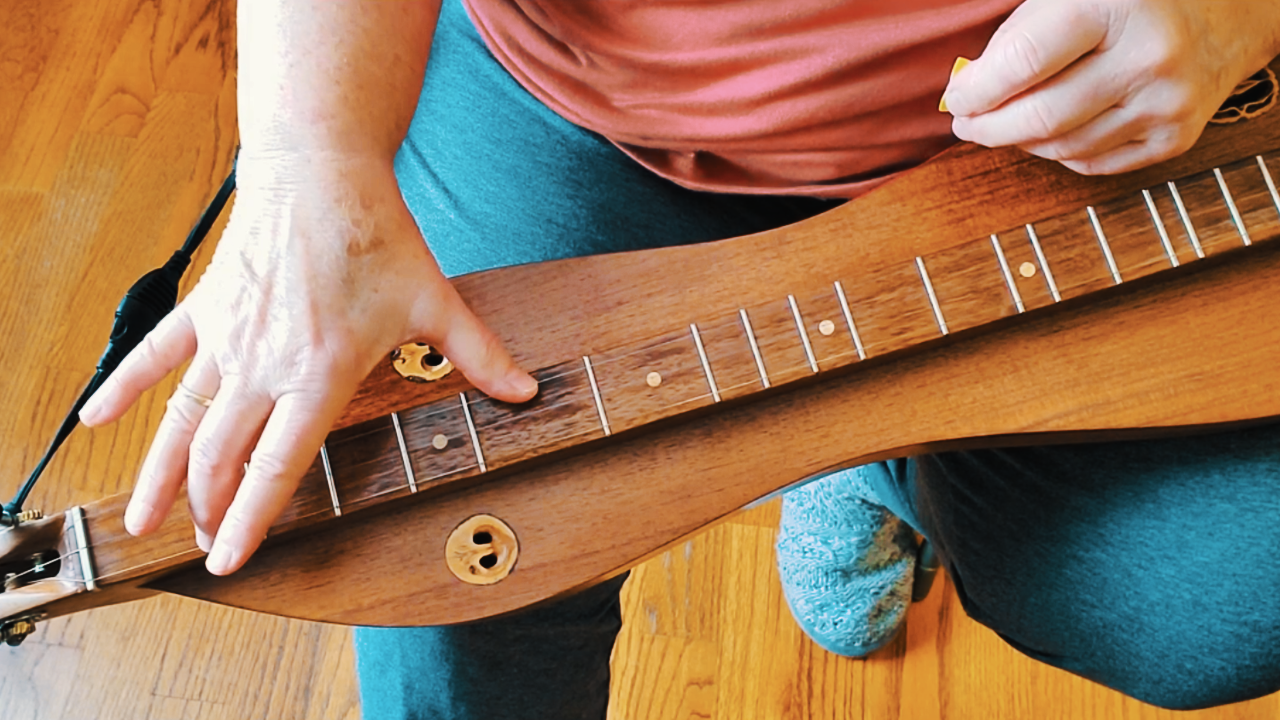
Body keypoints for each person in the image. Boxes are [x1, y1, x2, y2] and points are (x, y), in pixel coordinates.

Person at [78, 0, 1280, 716]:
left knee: (1202, 602)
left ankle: (845, 441)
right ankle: (825, 413)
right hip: (575, 108)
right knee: (451, 598)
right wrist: (310, 156)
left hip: (1074, 119)